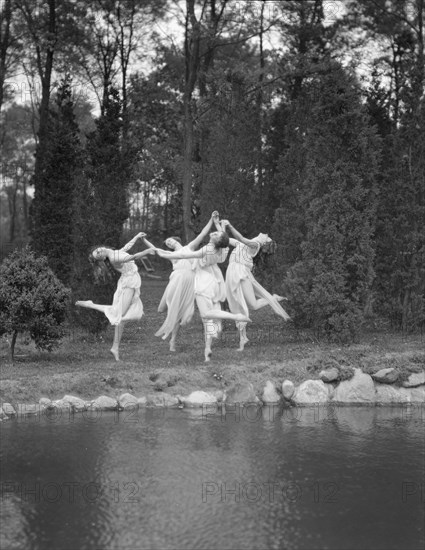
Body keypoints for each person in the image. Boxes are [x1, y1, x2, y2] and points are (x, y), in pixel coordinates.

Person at [152, 212, 251, 362]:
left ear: (216, 240)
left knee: (206, 315)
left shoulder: (207, 249)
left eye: (216, 233)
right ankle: (207, 348)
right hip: (216, 280)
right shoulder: (223, 248)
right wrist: (215, 222)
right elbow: (223, 236)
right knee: (208, 318)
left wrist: (163, 254)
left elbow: (186, 256)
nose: (215, 232)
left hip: (204, 280)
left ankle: (235, 317)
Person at [125, 213, 226, 352]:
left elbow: (203, 234)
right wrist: (145, 241)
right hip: (176, 280)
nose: (169, 243)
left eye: (170, 241)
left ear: (175, 239)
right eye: (167, 244)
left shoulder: (190, 247)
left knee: (180, 312)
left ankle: (173, 340)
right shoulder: (173, 255)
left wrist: (210, 220)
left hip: (190, 281)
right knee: (163, 308)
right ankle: (171, 318)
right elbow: (157, 250)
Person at [75, 232, 155, 361]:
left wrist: (136, 237)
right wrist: (148, 251)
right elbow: (133, 256)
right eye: (98, 254)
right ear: (101, 259)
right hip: (128, 283)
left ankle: (114, 346)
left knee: (119, 315)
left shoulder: (114, 253)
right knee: (119, 316)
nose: (99, 251)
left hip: (130, 281)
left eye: (97, 250)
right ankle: (115, 347)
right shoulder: (114, 258)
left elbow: (126, 248)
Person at [221, 220, 290, 351]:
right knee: (236, 305)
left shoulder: (255, 245)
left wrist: (230, 225)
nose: (264, 235)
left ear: (264, 242)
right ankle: (243, 338)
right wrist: (222, 226)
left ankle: (273, 298)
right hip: (232, 273)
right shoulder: (242, 245)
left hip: (241, 273)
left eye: (266, 238)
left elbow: (240, 237)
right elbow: (225, 240)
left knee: (253, 305)